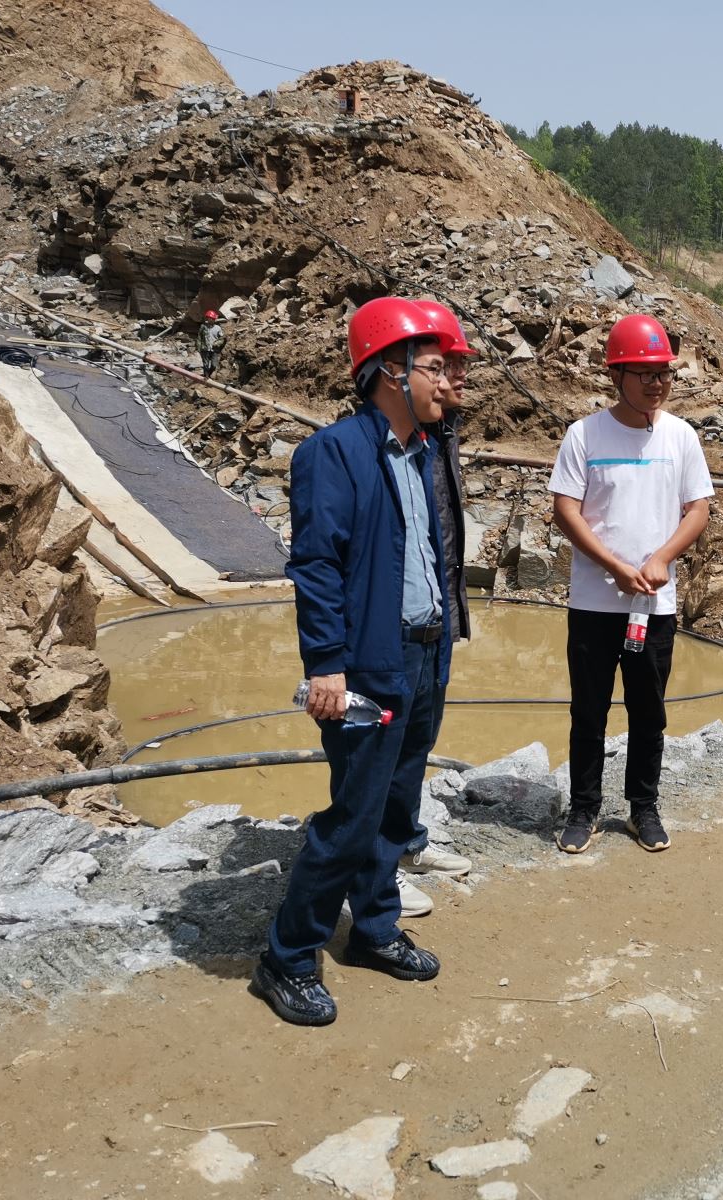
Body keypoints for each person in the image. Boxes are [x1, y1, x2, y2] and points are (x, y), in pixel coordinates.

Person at [251, 297, 458, 1026]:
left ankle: (372, 929)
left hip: (424, 656)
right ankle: (287, 956)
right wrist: (327, 665)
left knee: (397, 810)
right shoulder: (332, 453)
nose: (449, 382)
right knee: (354, 815)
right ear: (390, 373)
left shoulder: (426, 452)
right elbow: (316, 565)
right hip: (367, 664)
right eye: (435, 368)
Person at [548, 314, 713, 854]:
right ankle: (583, 810)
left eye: (663, 372)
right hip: (594, 604)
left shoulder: (681, 436)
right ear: (615, 375)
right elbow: (565, 510)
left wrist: (663, 557)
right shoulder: (584, 435)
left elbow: (697, 508)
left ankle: (644, 808)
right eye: (644, 373)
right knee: (588, 712)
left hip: (654, 606)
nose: (657, 383)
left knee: (649, 713)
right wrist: (614, 565)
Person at [390, 299, 479, 890]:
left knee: (419, 740)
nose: (458, 377)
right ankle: (373, 871)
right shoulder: (393, 440)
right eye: (446, 365)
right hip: (396, 626)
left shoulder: (440, 433)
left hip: (436, 616)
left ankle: (403, 845)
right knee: (384, 750)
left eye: (460, 366)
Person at [198, 310, 225, 379]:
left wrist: (217, 343)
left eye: (212, 318)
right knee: (205, 364)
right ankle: (206, 376)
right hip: (205, 348)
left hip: (214, 349)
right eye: (209, 318)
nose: (211, 320)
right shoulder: (203, 327)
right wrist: (199, 348)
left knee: (214, 364)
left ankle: (210, 373)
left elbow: (222, 338)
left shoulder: (218, 328)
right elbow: (199, 338)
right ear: (207, 318)